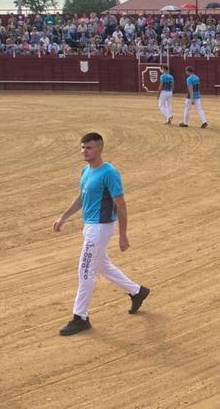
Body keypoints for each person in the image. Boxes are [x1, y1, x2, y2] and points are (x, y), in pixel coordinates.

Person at [53, 132, 150, 335]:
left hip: (100, 227)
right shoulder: (86, 170)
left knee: (85, 269)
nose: (84, 151)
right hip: (90, 226)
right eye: (83, 147)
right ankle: (137, 291)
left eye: (89, 148)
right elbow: (82, 197)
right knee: (102, 265)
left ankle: (80, 317)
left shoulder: (110, 173)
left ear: (100, 149)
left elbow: (121, 205)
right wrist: (63, 217)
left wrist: (123, 235)